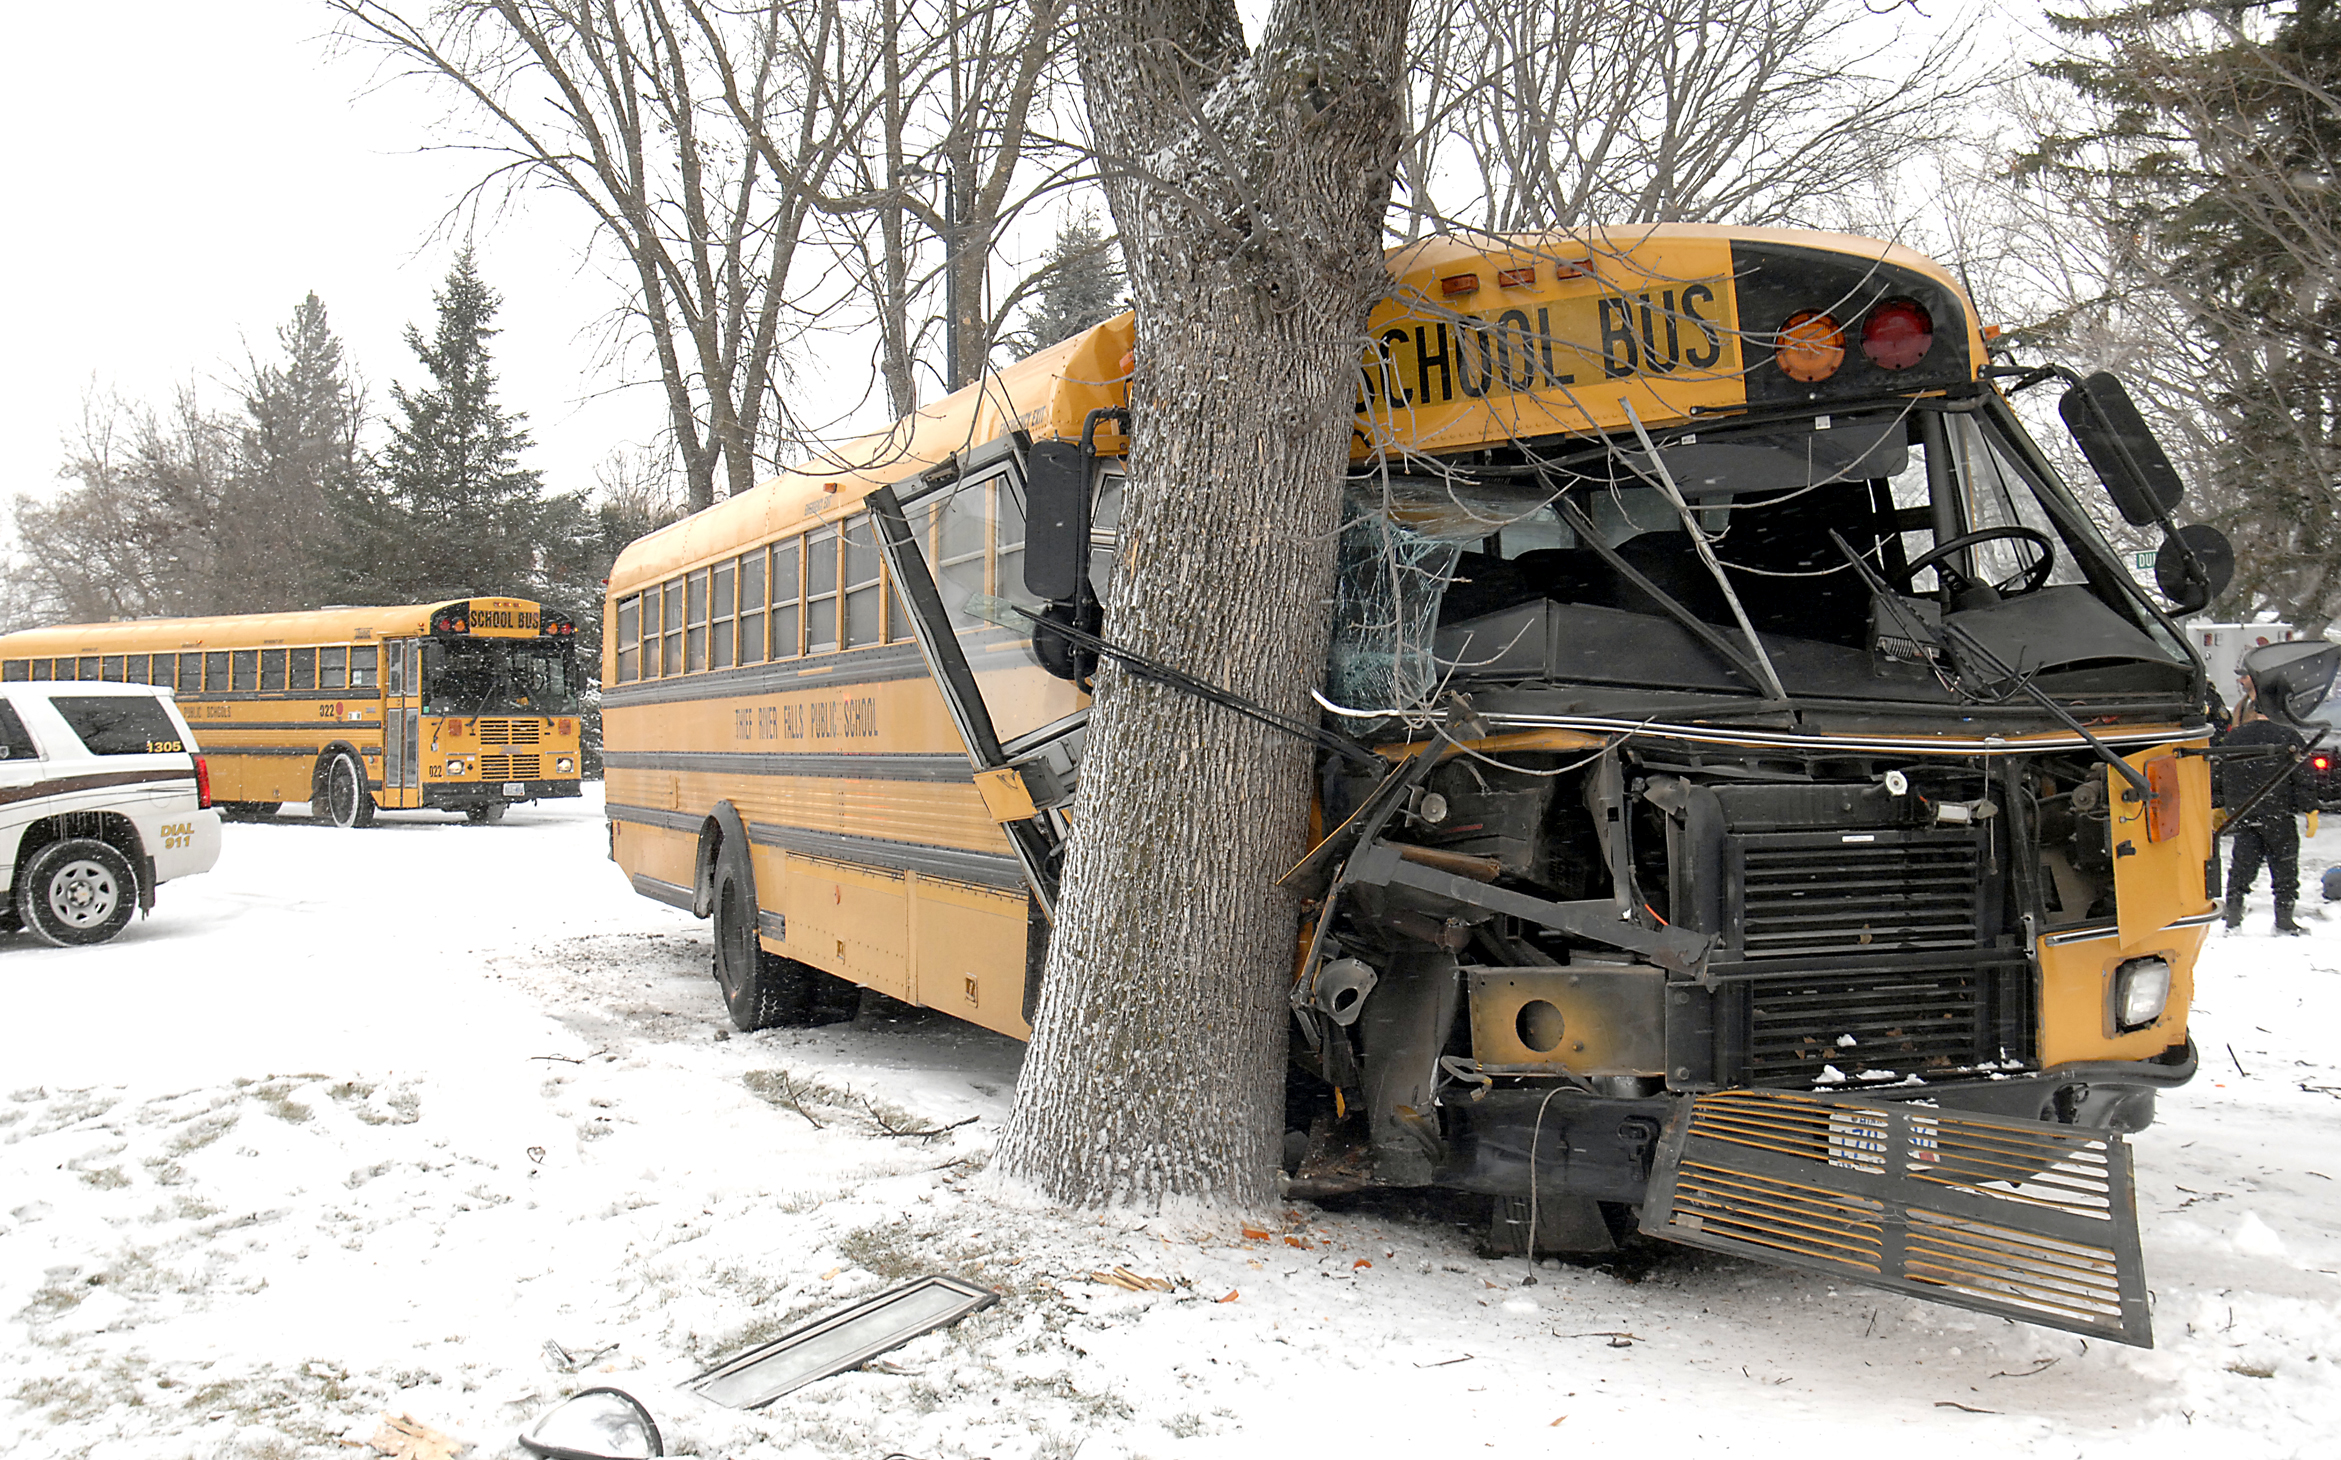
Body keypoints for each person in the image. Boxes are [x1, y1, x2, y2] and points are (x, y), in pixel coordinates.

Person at [2215, 691, 2316, 934]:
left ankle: (2233, 918)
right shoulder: (2288, 736)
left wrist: (2218, 805)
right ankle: (2284, 920)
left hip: (2244, 814)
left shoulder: (2234, 737)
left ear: (2252, 711)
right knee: (2285, 868)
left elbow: (2217, 773)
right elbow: (2302, 776)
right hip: (2278, 814)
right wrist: (2310, 808)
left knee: (2242, 866)